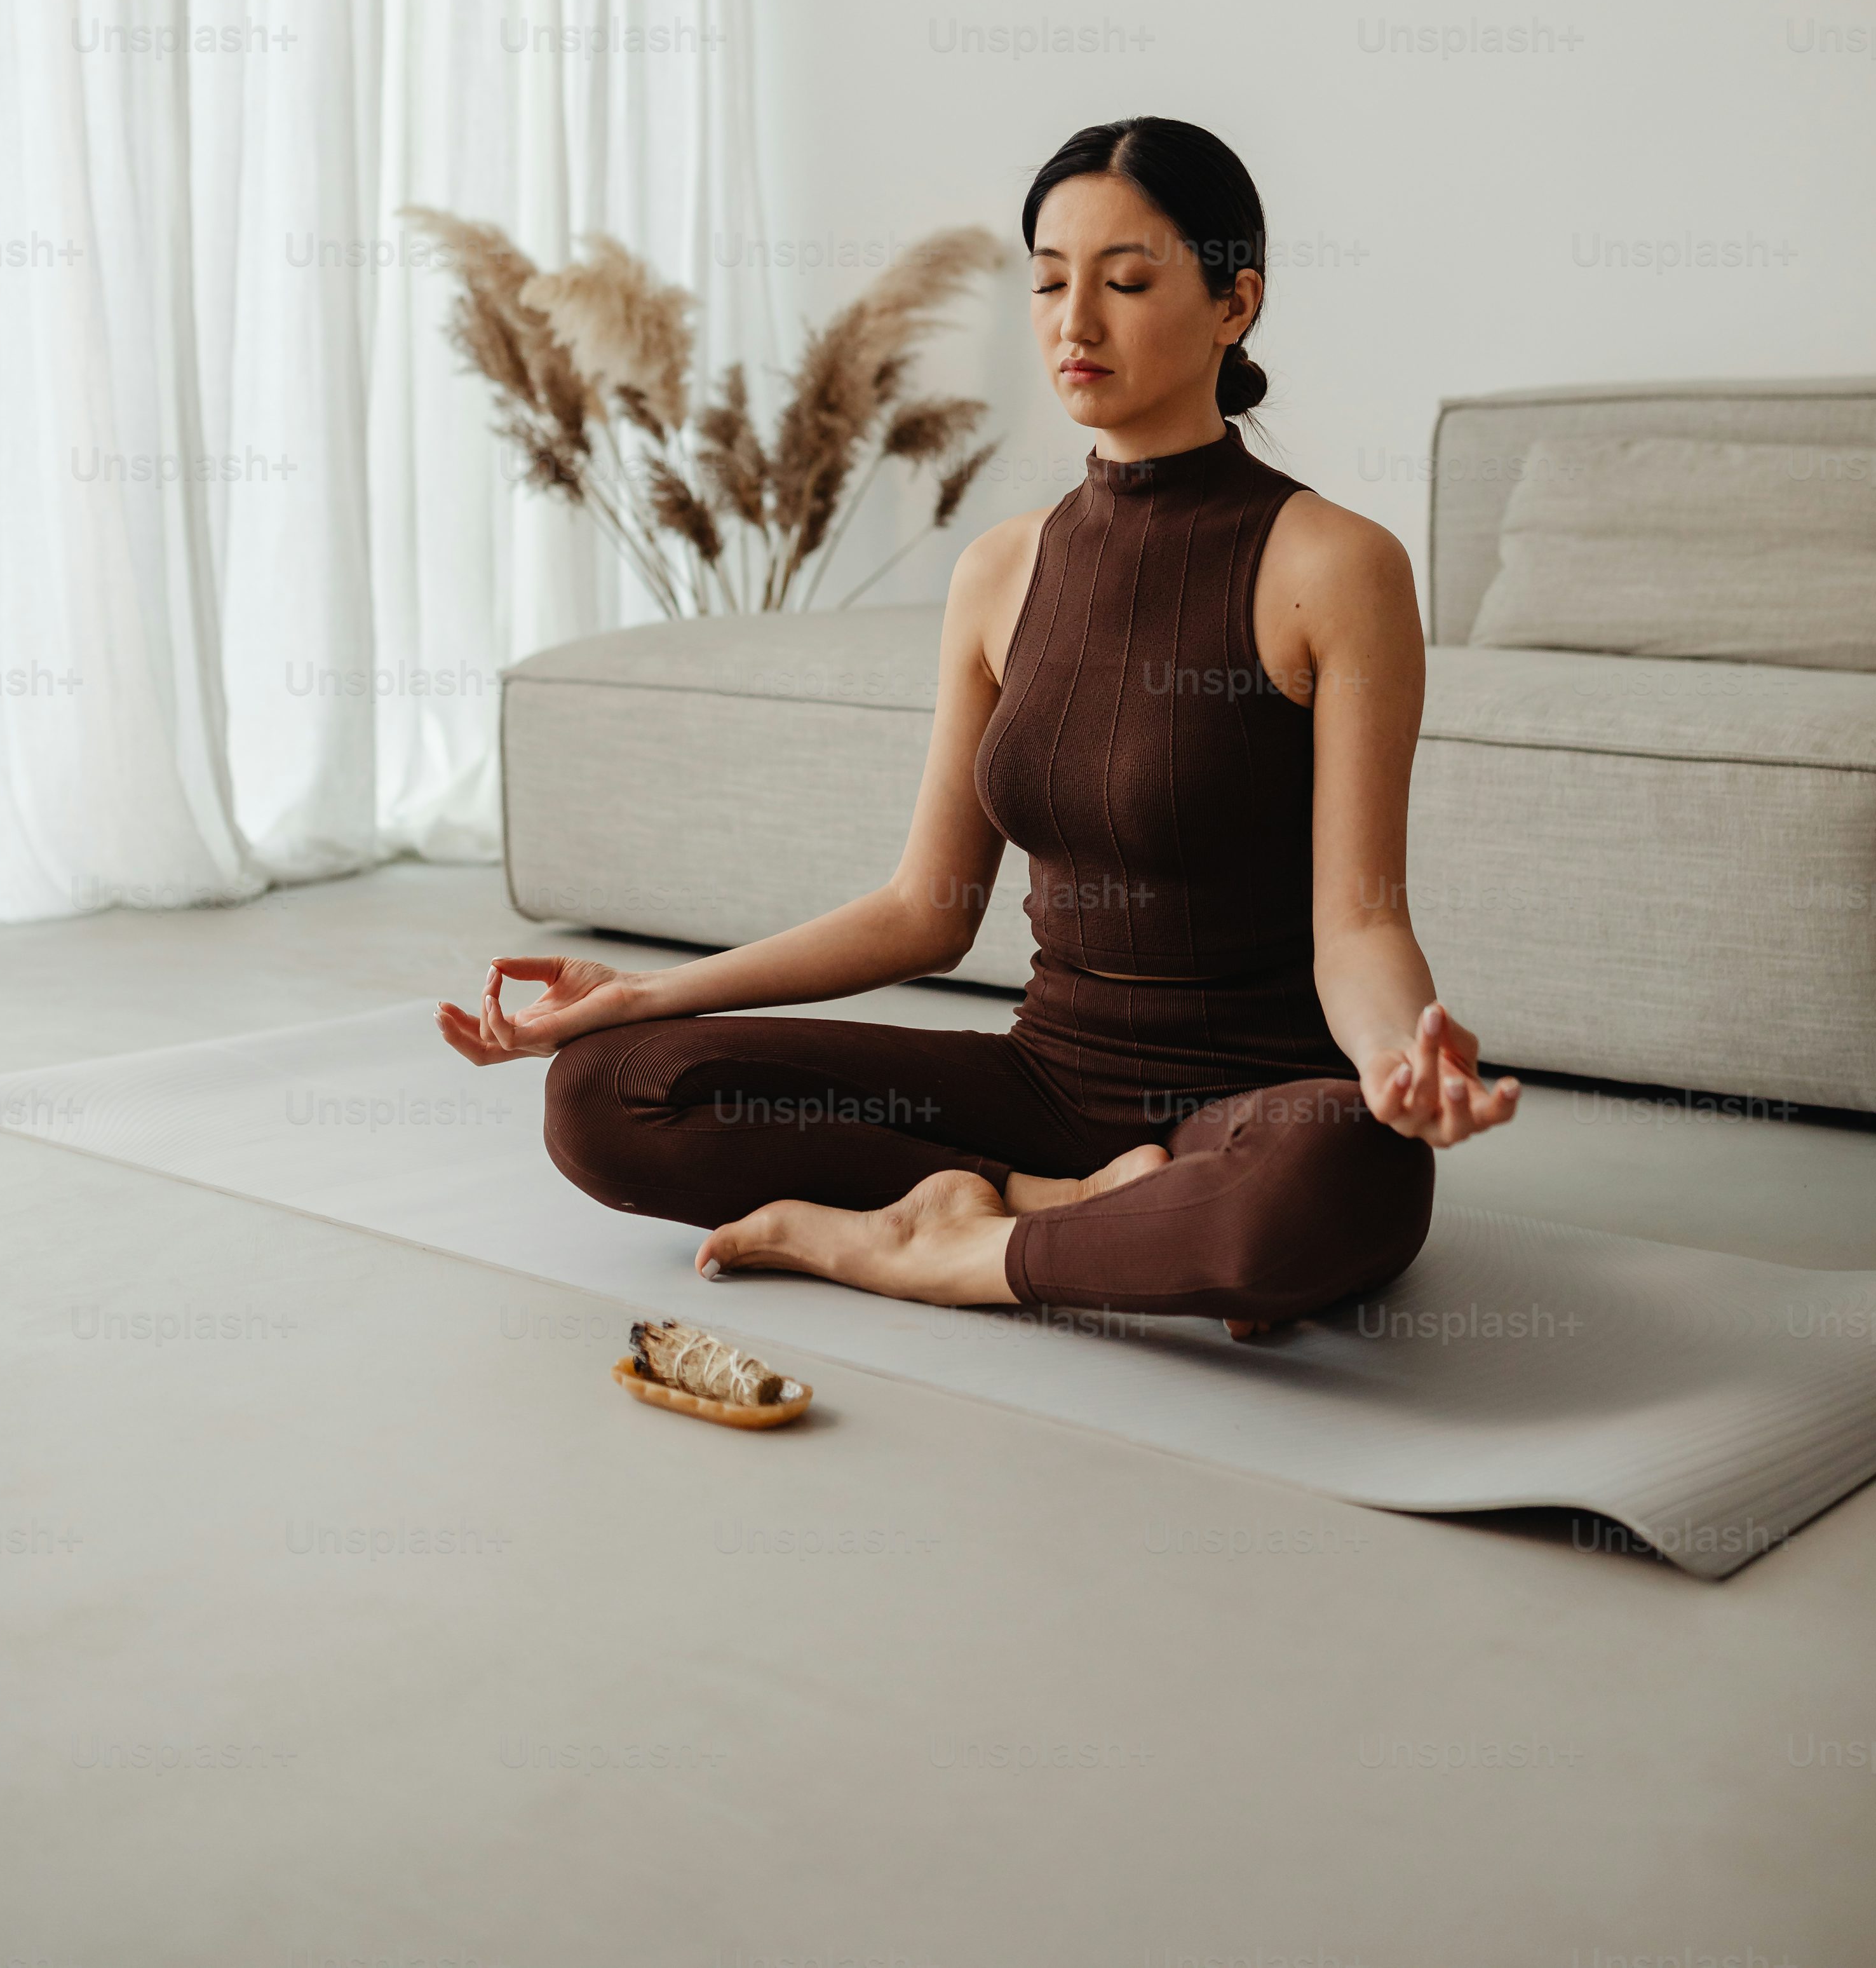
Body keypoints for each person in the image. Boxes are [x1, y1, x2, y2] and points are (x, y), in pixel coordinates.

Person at [437, 115, 1519, 1338]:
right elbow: (925, 911)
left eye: (1126, 281)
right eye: (1051, 282)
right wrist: (639, 996)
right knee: (609, 1094)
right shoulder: (1001, 572)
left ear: (1235, 304)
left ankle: (923, 1250)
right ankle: (1059, 1210)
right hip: (1042, 1082)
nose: (1075, 323)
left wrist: (1392, 1065)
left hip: (1259, 1100)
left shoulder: (1338, 566)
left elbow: (1361, 920)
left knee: (1340, 1179)